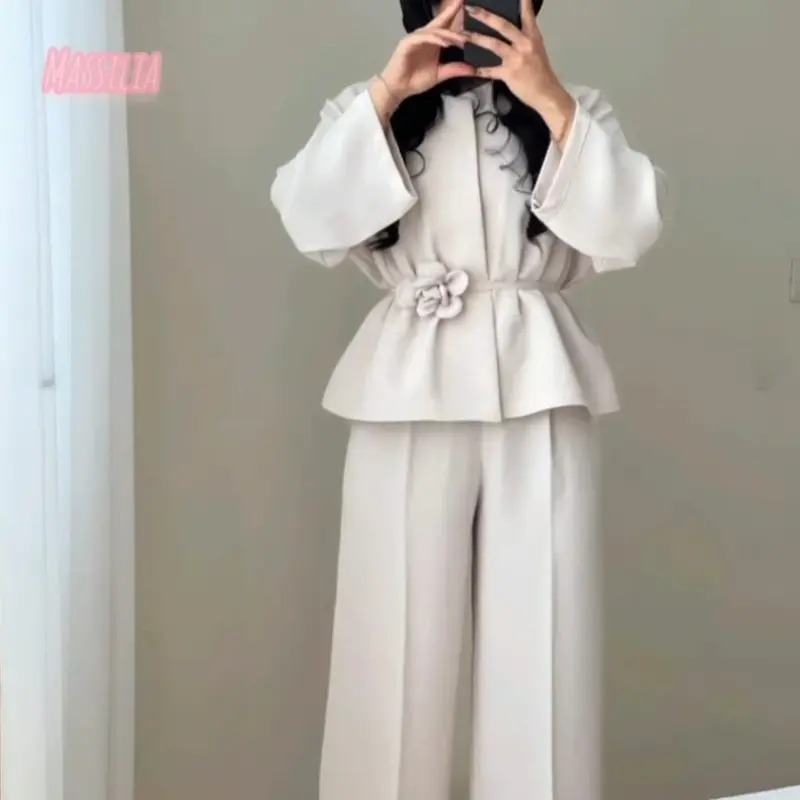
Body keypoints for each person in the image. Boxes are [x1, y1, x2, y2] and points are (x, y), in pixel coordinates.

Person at [271, 0, 667, 796]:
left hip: (539, 382)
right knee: (387, 648)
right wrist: (389, 92)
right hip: (405, 388)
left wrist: (549, 98)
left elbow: (630, 228)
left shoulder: (576, 109)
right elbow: (307, 217)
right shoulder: (367, 107)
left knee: (546, 650)